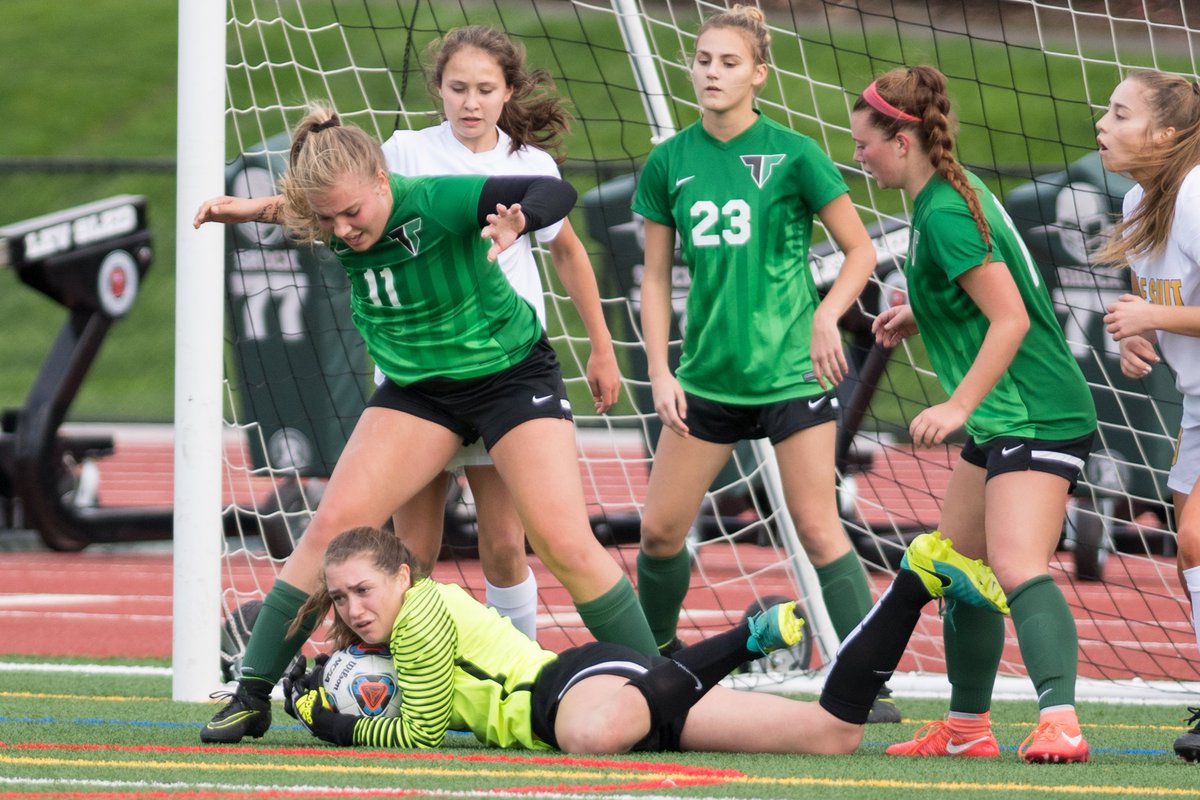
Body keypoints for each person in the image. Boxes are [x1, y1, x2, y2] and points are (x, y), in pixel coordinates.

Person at [193, 103, 659, 744]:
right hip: (420, 392)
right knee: (332, 528)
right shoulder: (332, 213)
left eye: (353, 213)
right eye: (328, 219)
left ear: (383, 181)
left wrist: (520, 222)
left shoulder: (438, 199)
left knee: (561, 543)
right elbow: (298, 209)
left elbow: (553, 190)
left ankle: (664, 692)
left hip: (509, 378)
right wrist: (245, 208)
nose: (343, 230)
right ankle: (250, 696)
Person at [627, 5, 900, 723]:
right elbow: (655, 278)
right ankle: (658, 660)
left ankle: (864, 680)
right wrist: (660, 369)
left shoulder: (794, 153)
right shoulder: (669, 160)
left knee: (817, 526)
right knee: (659, 534)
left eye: (728, 62)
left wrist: (823, 313)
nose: (711, 73)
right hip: (707, 379)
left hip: (789, 375)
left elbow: (860, 250)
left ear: (759, 73)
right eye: (703, 60)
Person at [853, 65, 1098, 763]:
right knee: (957, 565)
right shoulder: (941, 197)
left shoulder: (950, 212)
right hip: (1009, 415)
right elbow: (979, 294)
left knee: (1018, 566)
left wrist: (959, 402)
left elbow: (1011, 317)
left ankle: (1063, 723)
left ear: (902, 140)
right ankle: (966, 731)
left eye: (864, 142)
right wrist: (916, 313)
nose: (858, 156)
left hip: (1037, 413)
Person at [280, 525, 1007, 754]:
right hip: (628, 694)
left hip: (569, 691)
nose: (352, 606)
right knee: (833, 734)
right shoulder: (402, 619)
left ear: (403, 574)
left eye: (362, 590)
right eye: (340, 596)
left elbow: (418, 736)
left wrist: (330, 721)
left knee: (588, 740)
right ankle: (916, 577)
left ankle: (741, 643)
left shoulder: (419, 616)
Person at [1095, 69, 1200, 763]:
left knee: (1193, 537)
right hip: (1197, 403)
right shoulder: (1139, 198)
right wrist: (1139, 335)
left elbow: (1161, 304)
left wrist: (1153, 316)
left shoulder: (1197, 195)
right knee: (1190, 544)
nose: (1102, 123)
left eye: (1119, 112)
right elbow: (1149, 296)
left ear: (1164, 134)